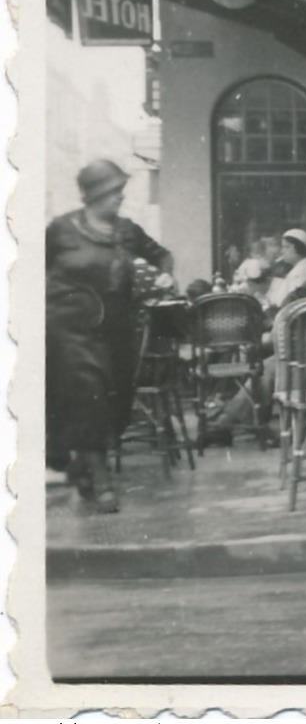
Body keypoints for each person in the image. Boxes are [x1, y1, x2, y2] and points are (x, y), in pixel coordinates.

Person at [46, 159, 174, 513]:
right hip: (68, 329)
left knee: (117, 407)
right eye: (114, 191)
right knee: (89, 399)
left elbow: (162, 255)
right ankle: (102, 483)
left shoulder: (127, 231)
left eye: (121, 190)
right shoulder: (60, 230)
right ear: (93, 195)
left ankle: (81, 466)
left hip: (115, 330)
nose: (120, 197)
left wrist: (166, 274)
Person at [268, 228, 306, 309]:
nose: (282, 251)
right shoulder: (298, 267)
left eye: (287, 247)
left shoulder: (304, 269)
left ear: (299, 247)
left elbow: (291, 302)